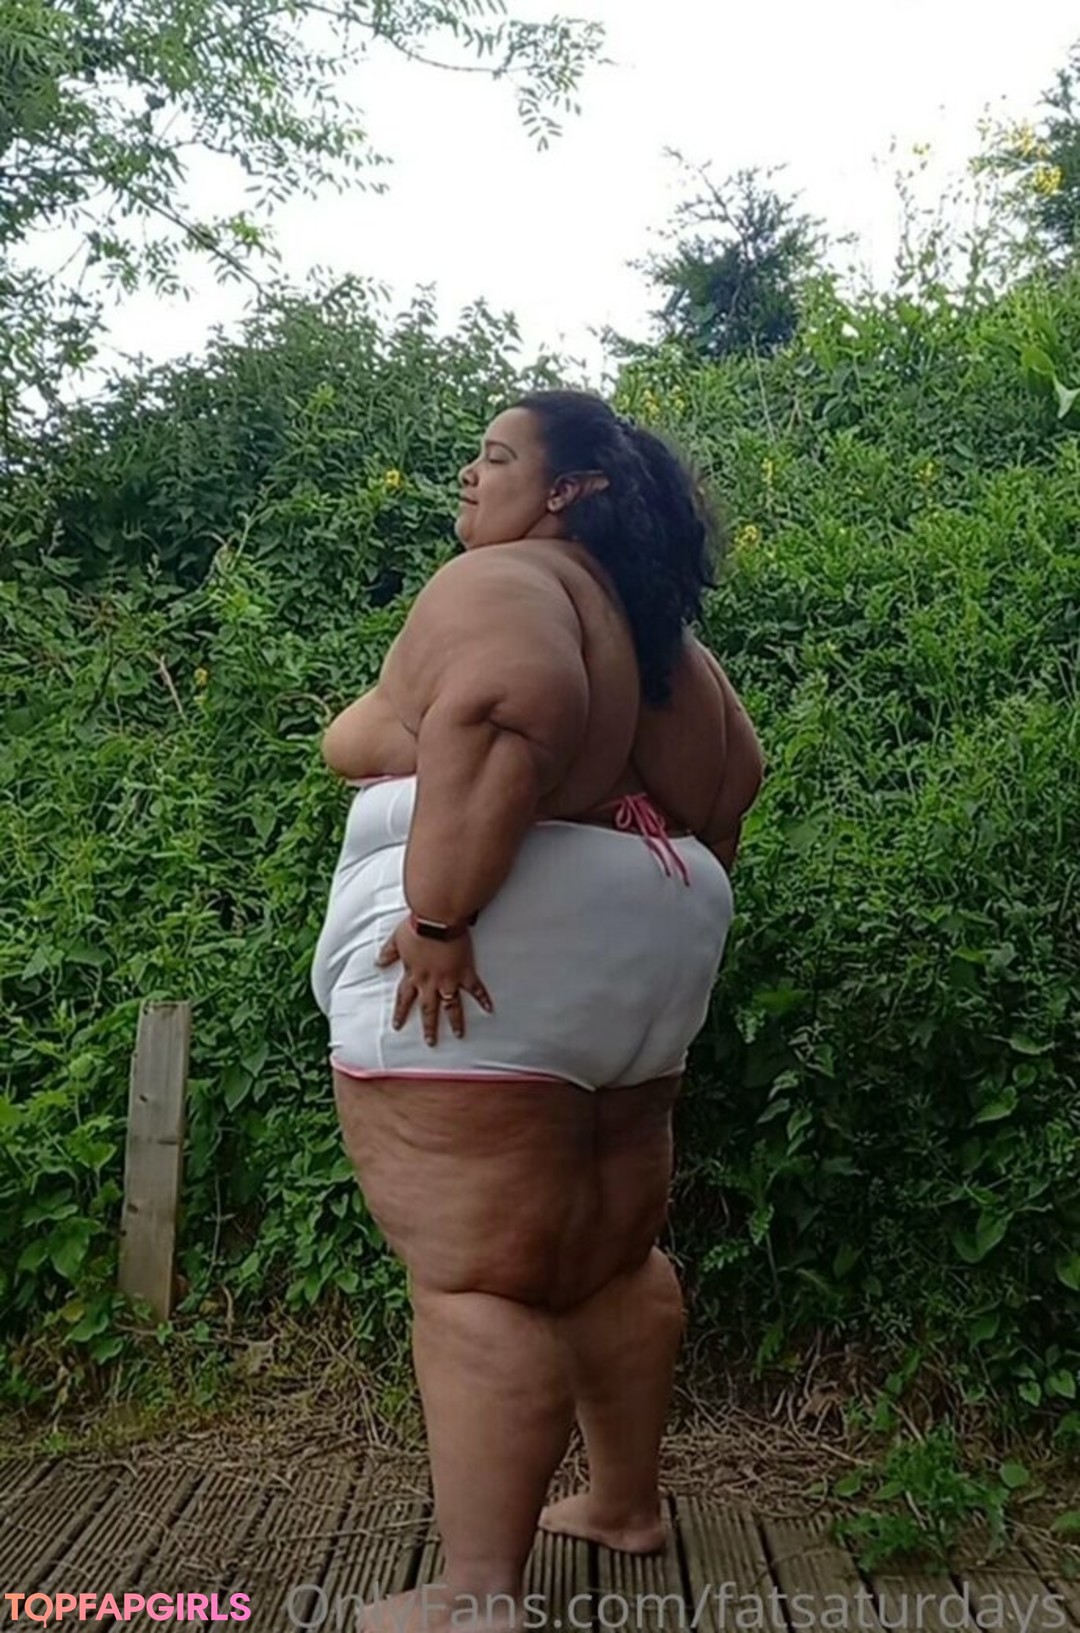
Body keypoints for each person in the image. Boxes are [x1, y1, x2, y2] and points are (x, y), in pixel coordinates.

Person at [311, 389, 764, 1633]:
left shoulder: (508, 583)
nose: (471, 474)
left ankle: (474, 1592)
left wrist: (442, 916)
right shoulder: (665, 643)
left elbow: (505, 703)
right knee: (611, 1253)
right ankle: (623, 1501)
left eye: (497, 454)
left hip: (498, 930)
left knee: (481, 1278)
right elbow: (735, 785)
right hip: (653, 936)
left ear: (566, 491)